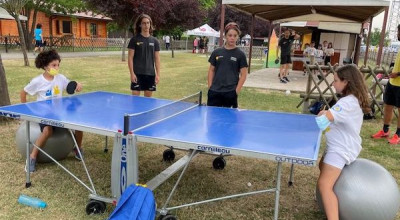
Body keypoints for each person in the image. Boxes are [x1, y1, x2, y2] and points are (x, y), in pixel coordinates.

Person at [316, 64, 370, 220]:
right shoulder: (350, 100)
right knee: (322, 166)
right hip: (337, 145)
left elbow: (325, 119)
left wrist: (324, 114)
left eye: (336, 80)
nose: (333, 84)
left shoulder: (347, 103)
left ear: (346, 82)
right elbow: (333, 116)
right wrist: (327, 113)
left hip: (340, 149)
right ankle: (326, 200)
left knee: (325, 185)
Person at [20, 49, 84, 172]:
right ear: (45, 66)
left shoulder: (60, 78)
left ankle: (77, 148)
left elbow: (71, 85)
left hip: (60, 113)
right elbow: (23, 92)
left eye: (58, 65)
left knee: (79, 126)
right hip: (44, 114)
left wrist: (77, 85)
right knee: (47, 130)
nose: (57, 67)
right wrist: (24, 110)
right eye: (53, 65)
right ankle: (32, 157)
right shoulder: (38, 81)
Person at [207, 22, 248, 108]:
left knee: (229, 121)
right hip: (214, 92)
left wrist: (236, 91)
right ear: (225, 36)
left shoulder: (240, 54)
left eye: (235, 35)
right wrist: (210, 87)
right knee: (212, 119)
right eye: (230, 35)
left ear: (237, 37)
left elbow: (244, 75)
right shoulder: (216, 52)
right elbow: (211, 70)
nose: (232, 38)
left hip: (230, 93)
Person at [371, 24, 400, 144]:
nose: (397, 34)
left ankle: (398, 135)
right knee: (388, 106)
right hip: (392, 83)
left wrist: (398, 73)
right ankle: (385, 130)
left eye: (399, 32)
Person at [127, 14, 160, 97]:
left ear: (150, 24)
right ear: (140, 25)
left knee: (148, 102)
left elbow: (157, 59)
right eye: (144, 23)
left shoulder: (155, 41)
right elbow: (130, 58)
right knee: (135, 101)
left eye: (148, 23)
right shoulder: (134, 39)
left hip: (150, 74)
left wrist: (158, 74)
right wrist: (132, 73)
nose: (146, 25)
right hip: (137, 74)